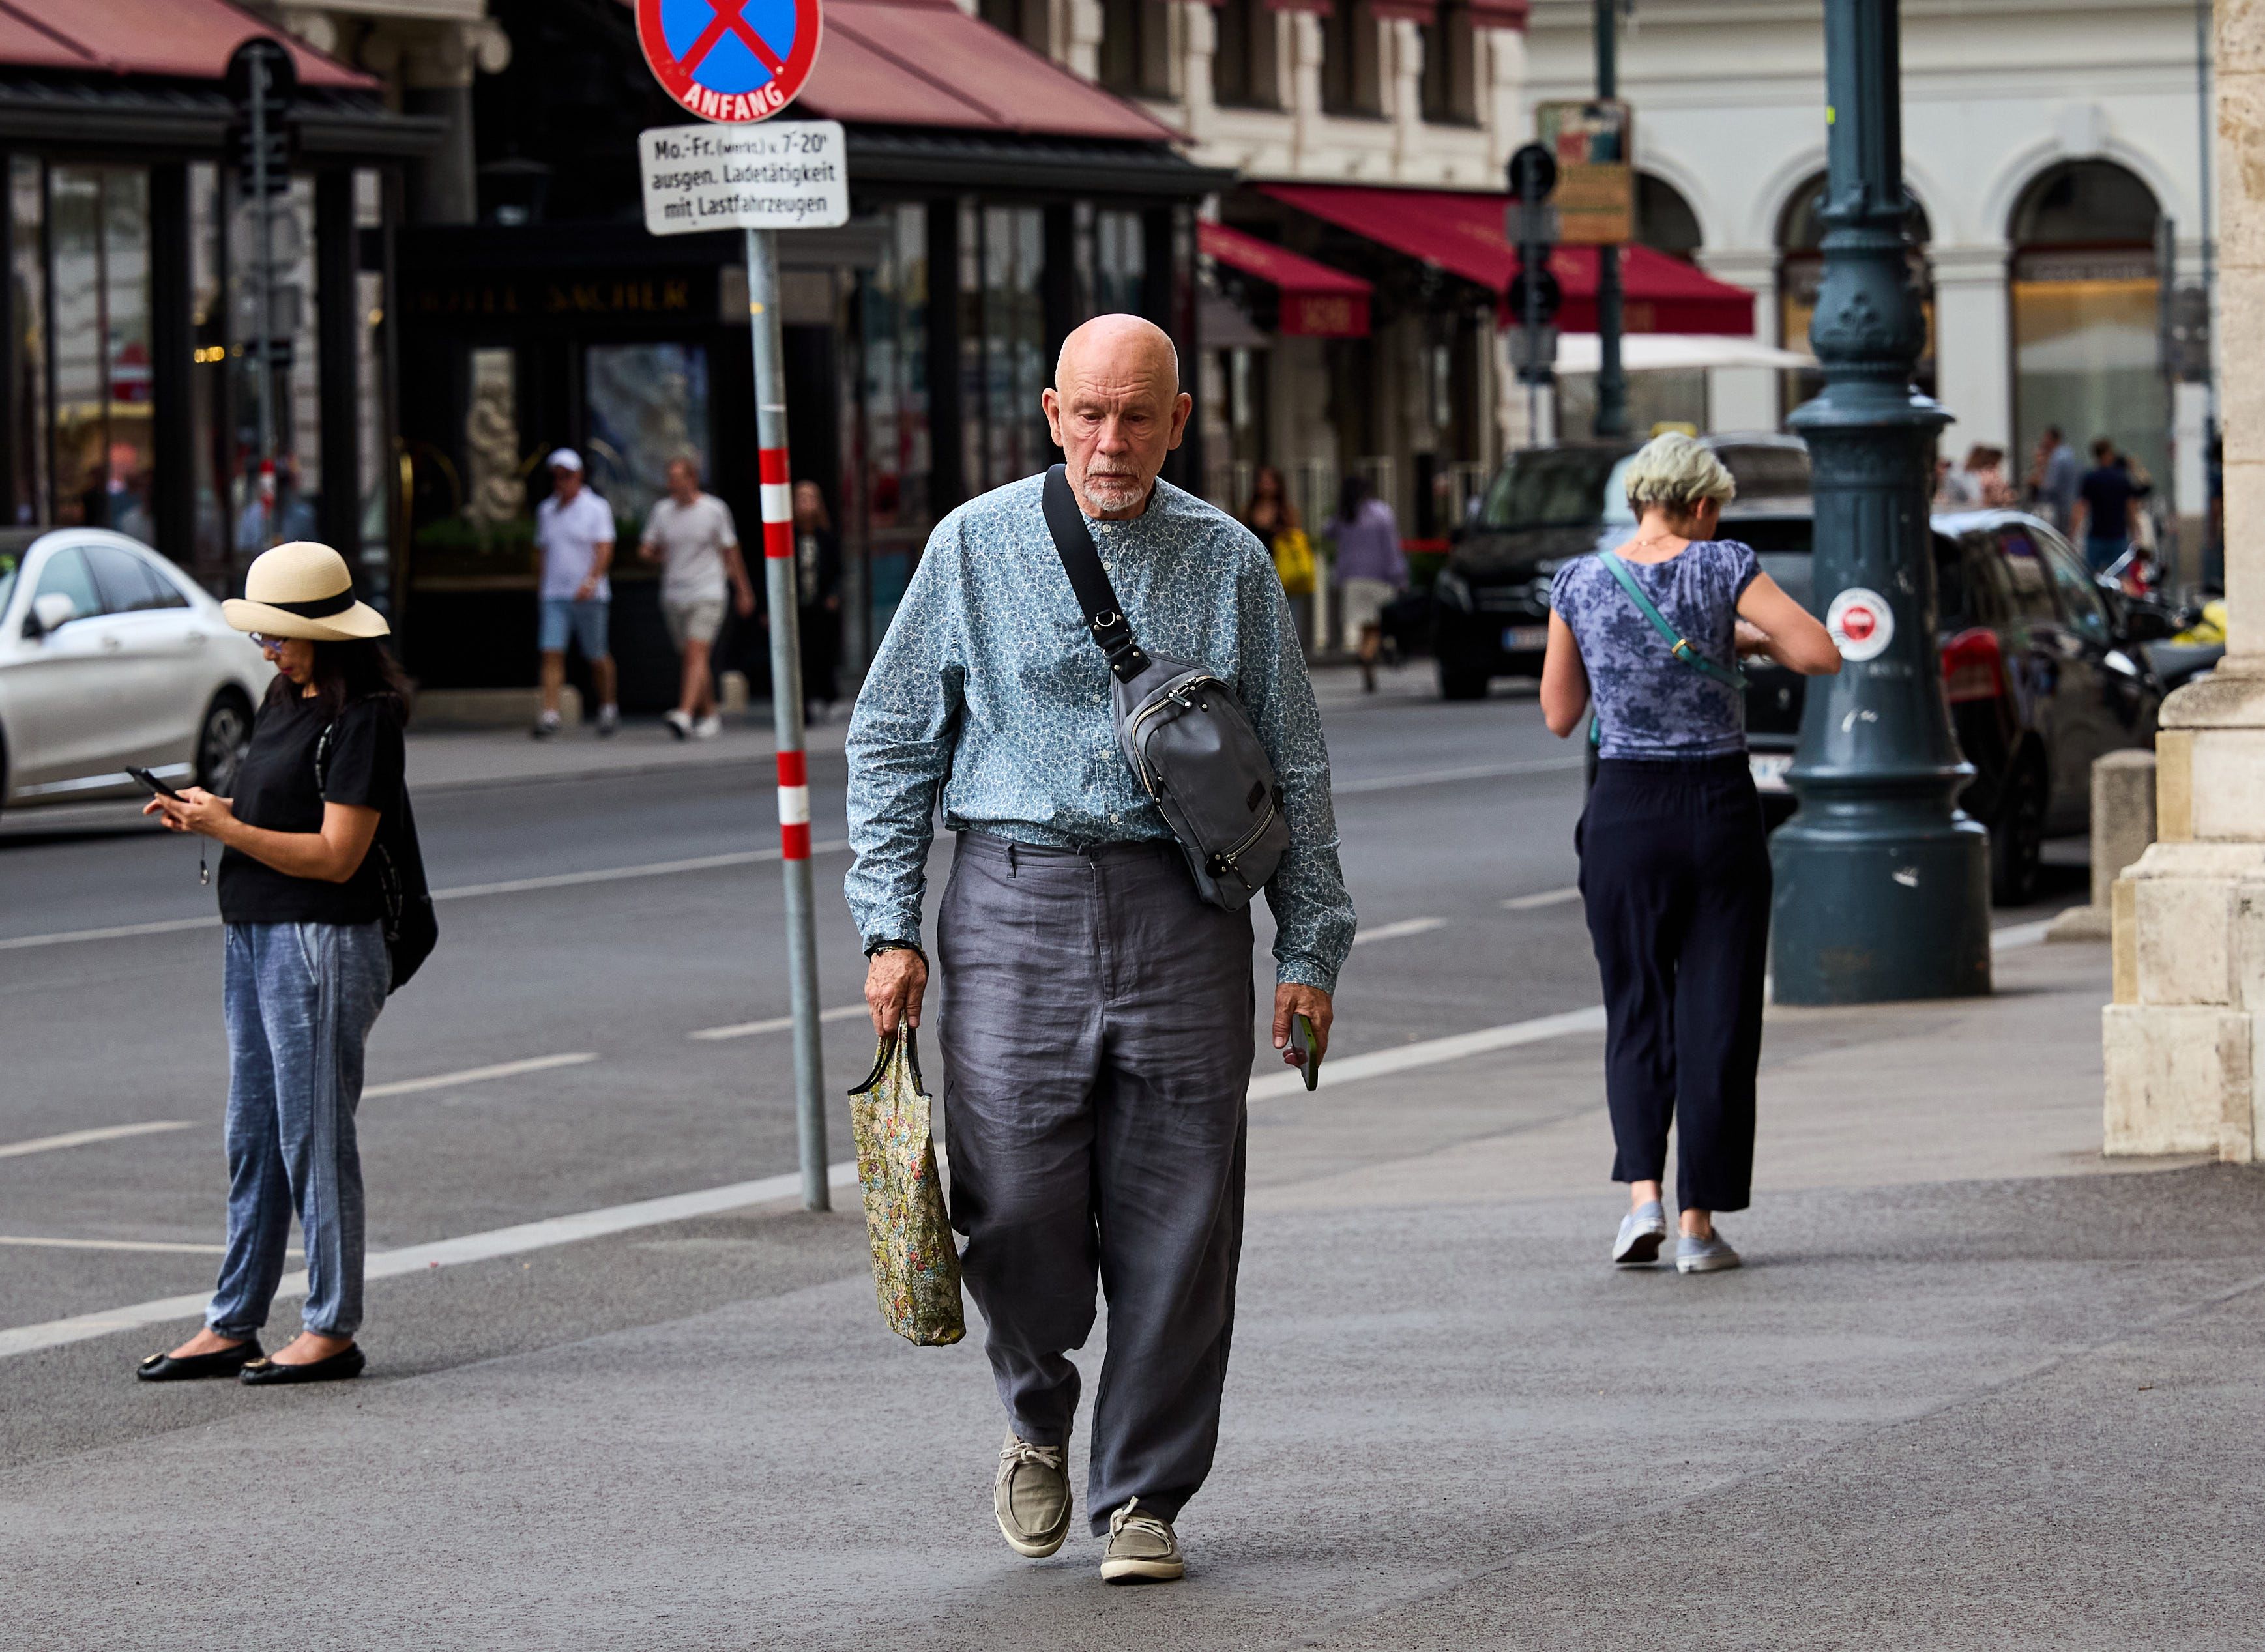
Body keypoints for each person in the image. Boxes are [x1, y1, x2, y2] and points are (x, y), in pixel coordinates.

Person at [845, 313, 1355, 1585]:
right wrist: (889, 922)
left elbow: (1289, 758)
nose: (1111, 439)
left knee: (1182, 1213)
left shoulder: (1227, 560)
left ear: (1179, 420)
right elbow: (894, 735)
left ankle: (1143, 1493)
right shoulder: (975, 543)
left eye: (1137, 415)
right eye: (1089, 412)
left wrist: (1310, 943)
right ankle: (1034, 1413)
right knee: (1011, 1198)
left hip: (1184, 911)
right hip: (1013, 905)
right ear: (1051, 412)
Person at [1538, 433, 1841, 1276]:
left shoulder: (1579, 579)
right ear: (1702, 504)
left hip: (1622, 810)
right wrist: (1744, 639)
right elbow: (1819, 650)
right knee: (1715, 1014)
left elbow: (1558, 711)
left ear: (1639, 498)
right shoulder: (1722, 566)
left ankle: (1640, 1198)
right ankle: (1697, 1226)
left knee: (1633, 1004)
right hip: (1713, 807)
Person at [132, 540, 411, 1387]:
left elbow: (336, 855)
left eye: (279, 634)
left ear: (326, 633)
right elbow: (270, 806)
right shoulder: (283, 695)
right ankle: (234, 1319)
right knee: (252, 1132)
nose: (265, 647)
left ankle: (331, 1327)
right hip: (254, 933)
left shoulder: (363, 715)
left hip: (319, 939)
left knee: (313, 1132)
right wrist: (209, 811)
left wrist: (228, 829)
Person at [640, 456, 755, 739]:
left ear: (692, 480)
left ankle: (684, 714)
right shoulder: (662, 511)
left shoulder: (714, 510)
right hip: (674, 592)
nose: (673, 484)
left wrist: (743, 590)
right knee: (694, 658)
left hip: (708, 590)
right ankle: (711, 715)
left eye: (679, 478)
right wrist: (651, 554)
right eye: (670, 479)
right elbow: (647, 547)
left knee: (695, 652)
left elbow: (731, 552)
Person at [533, 448, 618, 739]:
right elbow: (543, 551)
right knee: (551, 652)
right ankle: (550, 713)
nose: (561, 481)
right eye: (557, 476)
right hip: (555, 593)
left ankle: (608, 706)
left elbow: (604, 548)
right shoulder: (546, 510)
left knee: (596, 655)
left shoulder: (596, 508)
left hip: (589, 595)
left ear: (579, 476)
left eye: (567, 475)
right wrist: (542, 585)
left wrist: (592, 581)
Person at [1330, 475, 1406, 693]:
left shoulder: (1345, 515)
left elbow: (1328, 531)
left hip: (1352, 578)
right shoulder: (1382, 513)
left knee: (1366, 624)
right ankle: (1368, 655)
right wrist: (1400, 576)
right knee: (1377, 624)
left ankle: (1367, 655)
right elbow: (1391, 548)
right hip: (1379, 577)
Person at [1243, 466, 1317, 652]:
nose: (1266, 485)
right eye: (1263, 481)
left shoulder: (1286, 512)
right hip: (1257, 572)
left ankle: (1288, 653)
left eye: (1271, 481)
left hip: (1284, 572)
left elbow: (1296, 538)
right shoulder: (1248, 511)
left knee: (1289, 618)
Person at [791, 481, 843, 721]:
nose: (806, 504)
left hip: (821, 606)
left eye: (811, 498)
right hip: (796, 606)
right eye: (801, 499)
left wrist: (833, 594)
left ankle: (828, 696)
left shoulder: (827, 537)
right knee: (800, 655)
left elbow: (837, 570)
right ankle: (804, 703)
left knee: (823, 651)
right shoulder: (789, 537)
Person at [2073, 438, 2139, 573]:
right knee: (2121, 579)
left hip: (2096, 535)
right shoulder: (2122, 479)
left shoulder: (2091, 478)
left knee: (2092, 578)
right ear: (2109, 453)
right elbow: (2130, 508)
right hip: (2118, 536)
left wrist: (2073, 533)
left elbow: (2082, 507)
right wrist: (2135, 532)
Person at [2028, 426, 2081, 534]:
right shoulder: (2068, 454)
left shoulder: (2057, 458)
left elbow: (2050, 485)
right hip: (2068, 504)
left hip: (2058, 507)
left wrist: (2035, 481)